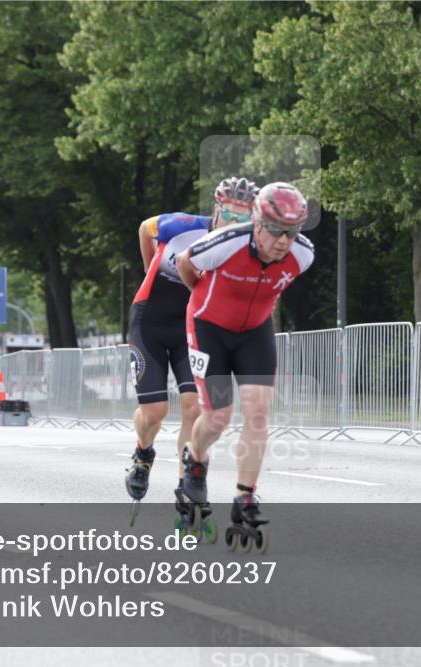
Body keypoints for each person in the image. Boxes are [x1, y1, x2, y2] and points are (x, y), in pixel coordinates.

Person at [175, 182, 314, 543]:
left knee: (257, 411)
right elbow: (183, 264)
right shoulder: (227, 242)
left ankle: (245, 496)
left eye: (292, 232)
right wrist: (203, 297)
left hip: (254, 333)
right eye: (276, 230)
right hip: (209, 330)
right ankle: (195, 456)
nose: (284, 241)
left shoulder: (303, 254)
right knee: (218, 416)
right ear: (256, 222)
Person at [124, 177, 259, 504]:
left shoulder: (244, 250)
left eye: (244, 218)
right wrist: (149, 270)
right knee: (154, 412)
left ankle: (186, 486)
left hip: (190, 328)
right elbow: (145, 229)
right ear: (216, 208)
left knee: (193, 407)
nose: (235, 223)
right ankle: (143, 453)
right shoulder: (181, 226)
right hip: (150, 321)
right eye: (230, 213)